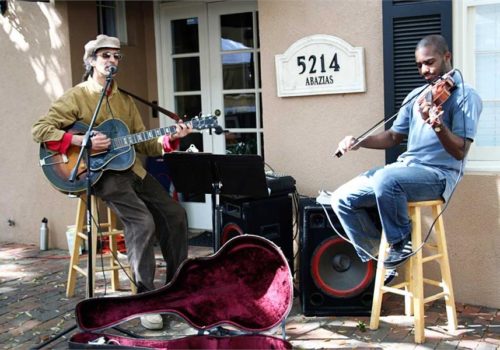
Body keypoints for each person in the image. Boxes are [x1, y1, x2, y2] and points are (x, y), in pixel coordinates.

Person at [32, 35, 192, 330]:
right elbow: (40, 130)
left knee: (176, 215)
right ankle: (144, 298)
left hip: (132, 170)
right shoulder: (78, 97)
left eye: (116, 57)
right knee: (142, 222)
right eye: (105, 55)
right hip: (100, 175)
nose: (112, 61)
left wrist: (170, 139)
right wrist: (82, 141)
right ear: (92, 60)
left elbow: (144, 143)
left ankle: (175, 288)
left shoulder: (126, 100)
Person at [330, 34, 482, 272]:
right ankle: (382, 257)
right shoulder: (417, 96)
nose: (424, 70)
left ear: (447, 57)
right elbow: (392, 137)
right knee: (340, 199)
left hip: (439, 175)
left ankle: (401, 242)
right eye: (419, 65)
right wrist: (360, 142)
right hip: (405, 170)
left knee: (385, 179)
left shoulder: (465, 96)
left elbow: (460, 151)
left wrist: (438, 126)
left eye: (429, 62)